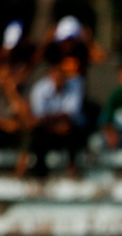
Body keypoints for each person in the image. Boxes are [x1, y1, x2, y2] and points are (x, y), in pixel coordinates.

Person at [28, 47, 87, 177]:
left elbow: (72, 113)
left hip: (68, 127)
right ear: (50, 75)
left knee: (73, 130)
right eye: (56, 74)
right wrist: (56, 125)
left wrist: (57, 121)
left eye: (62, 74)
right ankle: (40, 171)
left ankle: (72, 167)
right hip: (49, 128)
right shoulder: (40, 89)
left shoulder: (76, 85)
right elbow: (38, 117)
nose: (59, 78)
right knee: (36, 133)